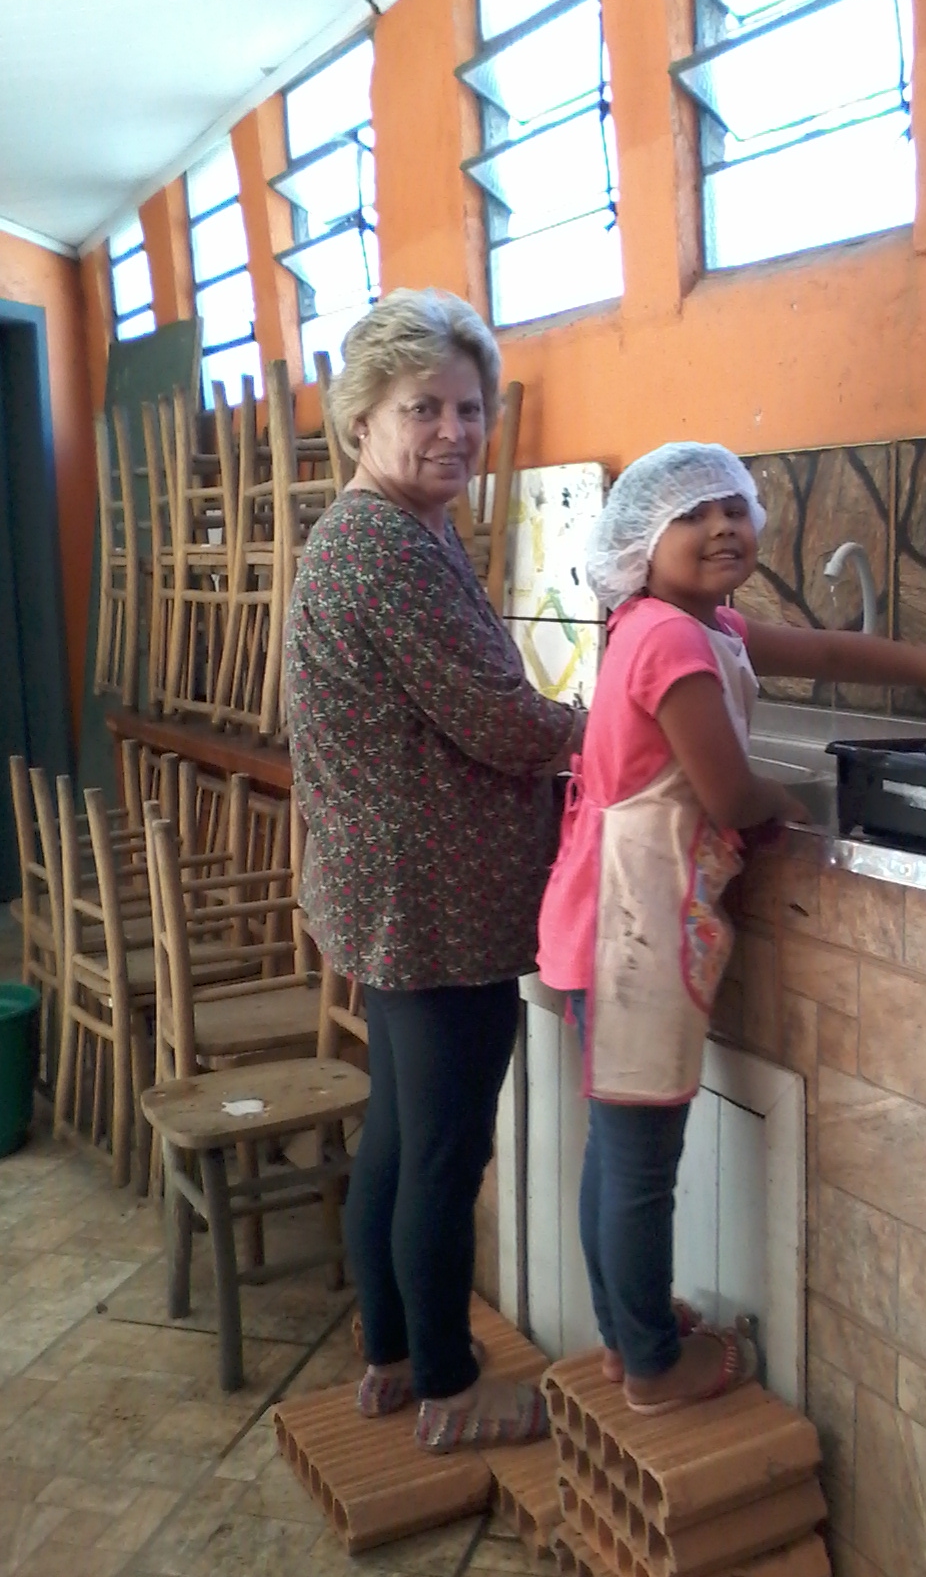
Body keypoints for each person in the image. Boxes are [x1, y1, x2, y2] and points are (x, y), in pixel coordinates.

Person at [537, 442, 926, 1416]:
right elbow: (725, 789)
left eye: (736, 507)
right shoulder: (671, 642)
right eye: (694, 514)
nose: (724, 525)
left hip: (608, 915)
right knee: (640, 1160)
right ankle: (649, 1368)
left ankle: (626, 1327)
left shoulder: (687, 622)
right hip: (631, 925)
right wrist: (790, 812)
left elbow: (836, 652)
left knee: (618, 1150)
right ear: (642, 542)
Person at [284, 288, 581, 1452]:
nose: (455, 430)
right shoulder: (385, 548)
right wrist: (601, 725)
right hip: (436, 900)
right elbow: (499, 720)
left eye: (471, 407)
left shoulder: (387, 532)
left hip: (395, 893)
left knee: (403, 1137)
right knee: (445, 1152)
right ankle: (454, 1390)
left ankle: (392, 1359)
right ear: (364, 417)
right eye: (426, 407)